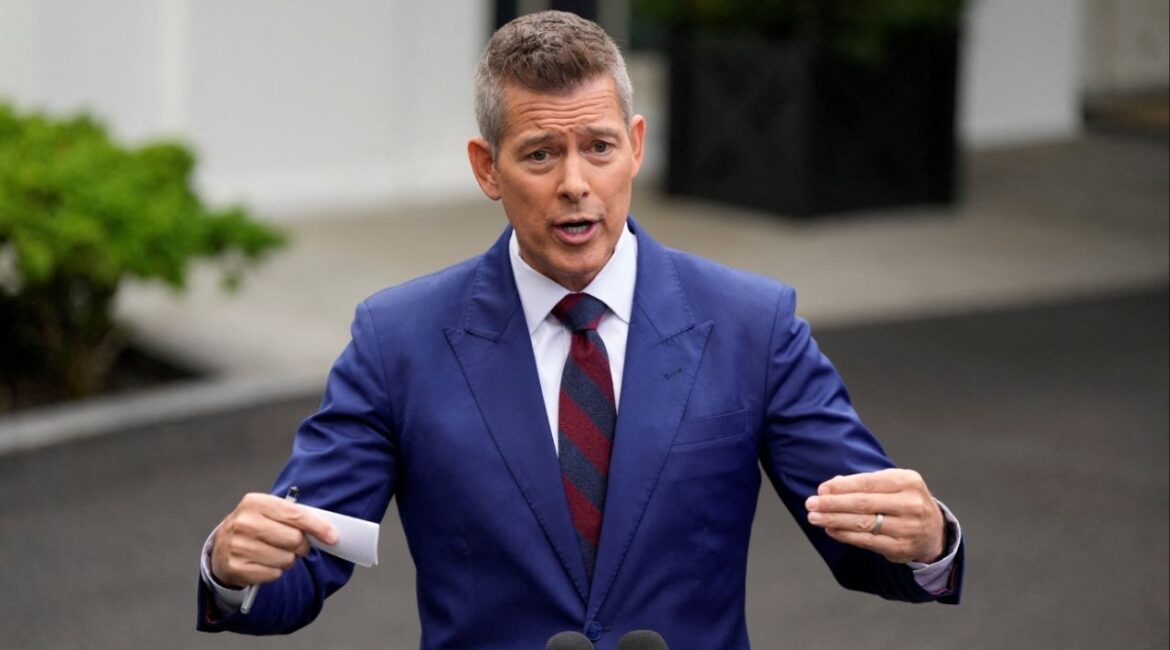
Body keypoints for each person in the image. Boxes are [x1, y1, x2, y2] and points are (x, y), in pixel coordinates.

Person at [196, 10, 963, 648]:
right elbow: (296, 571)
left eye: (597, 147)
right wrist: (234, 570)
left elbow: (873, 548)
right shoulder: (398, 340)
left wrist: (929, 539)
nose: (574, 183)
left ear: (634, 144)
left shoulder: (752, 325)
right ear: (487, 168)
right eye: (540, 153)